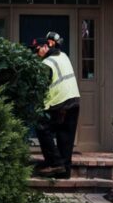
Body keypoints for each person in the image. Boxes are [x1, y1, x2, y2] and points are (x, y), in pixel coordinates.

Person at [33, 31, 80, 179]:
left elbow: (42, 88)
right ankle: (64, 170)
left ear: (47, 46)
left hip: (60, 103)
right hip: (74, 101)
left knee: (42, 128)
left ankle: (54, 163)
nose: (36, 53)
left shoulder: (47, 64)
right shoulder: (63, 56)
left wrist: (40, 106)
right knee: (65, 136)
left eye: (37, 49)